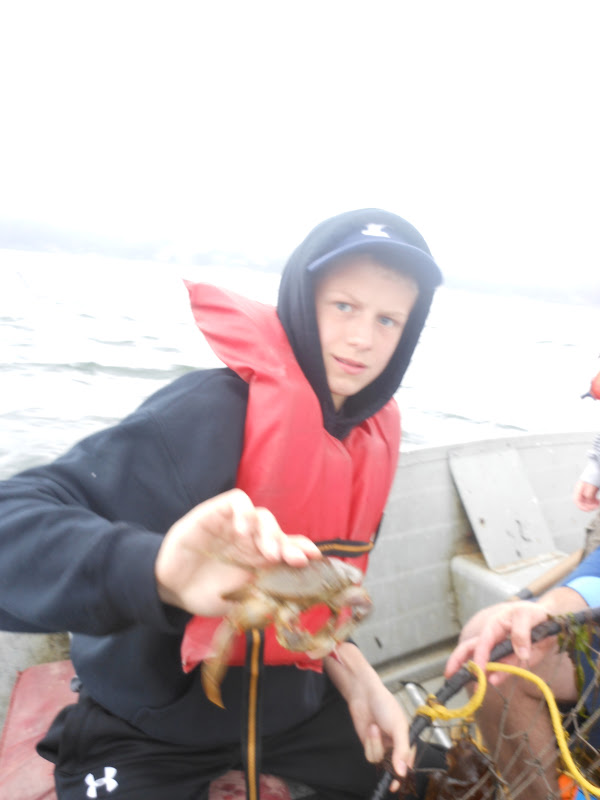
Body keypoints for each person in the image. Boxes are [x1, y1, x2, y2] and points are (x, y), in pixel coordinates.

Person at [0, 208, 444, 800]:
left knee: (436, 777)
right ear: (302, 301)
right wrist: (155, 569)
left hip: (298, 716)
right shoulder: (202, 416)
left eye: (388, 319)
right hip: (147, 728)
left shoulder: (368, 442)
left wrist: (357, 674)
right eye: (343, 306)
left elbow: (324, 603)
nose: (363, 338)